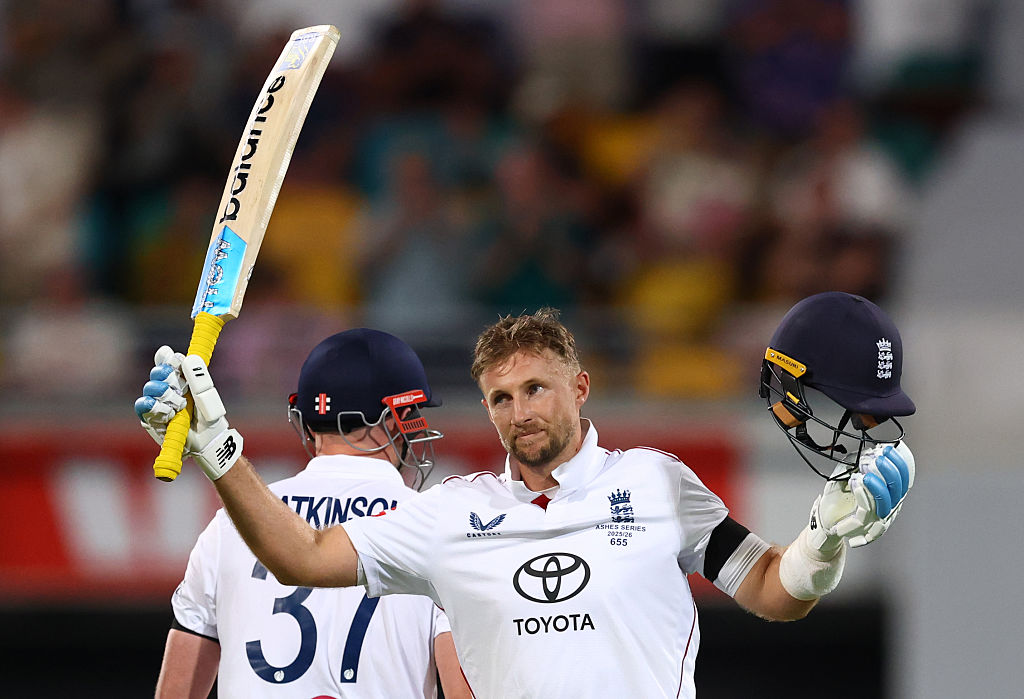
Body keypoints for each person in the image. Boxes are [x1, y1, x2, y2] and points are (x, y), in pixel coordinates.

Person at [138, 295, 915, 697]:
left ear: (580, 387)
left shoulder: (658, 483)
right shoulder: (446, 515)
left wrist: (824, 541)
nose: (521, 411)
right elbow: (298, 553)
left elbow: (775, 592)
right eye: (501, 397)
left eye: (536, 388)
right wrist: (220, 451)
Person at [135, 329, 471, 698]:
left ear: (306, 421)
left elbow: (176, 693)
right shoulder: (432, 525)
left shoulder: (231, 521)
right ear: (396, 417)